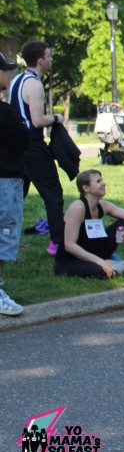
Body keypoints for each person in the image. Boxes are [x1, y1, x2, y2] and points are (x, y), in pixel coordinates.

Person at [9, 41, 64, 255]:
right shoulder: (35, 84)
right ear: (40, 60)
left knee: (16, 196)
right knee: (53, 194)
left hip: (15, 147)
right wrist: (56, 118)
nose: (51, 59)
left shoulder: (16, 81)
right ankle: (57, 243)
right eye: (48, 56)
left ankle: (9, 239)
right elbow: (38, 120)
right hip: (32, 146)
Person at [54, 169, 124, 279]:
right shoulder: (78, 208)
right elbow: (69, 245)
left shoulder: (102, 205)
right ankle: (118, 265)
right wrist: (99, 261)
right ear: (86, 188)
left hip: (94, 251)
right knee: (103, 272)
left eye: (102, 180)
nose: (103, 183)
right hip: (71, 259)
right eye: (98, 181)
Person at [0, 53, 29, 316]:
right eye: (4, 70)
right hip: (5, 182)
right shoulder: (4, 112)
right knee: (4, 235)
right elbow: (23, 139)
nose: (7, 75)